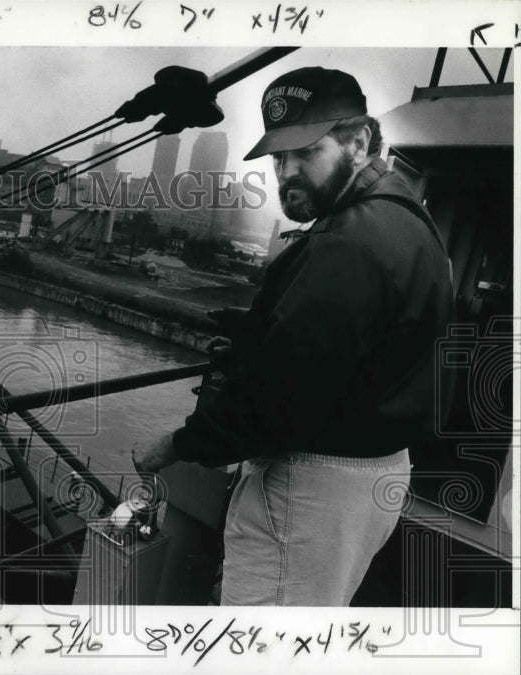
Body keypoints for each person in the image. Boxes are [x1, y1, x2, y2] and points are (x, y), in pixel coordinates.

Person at [133, 67, 454, 606]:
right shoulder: (409, 222)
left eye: (306, 152)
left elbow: (274, 404)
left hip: (311, 490)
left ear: (358, 141)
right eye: (280, 158)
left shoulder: (347, 245)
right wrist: (261, 333)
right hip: (373, 478)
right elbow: (364, 344)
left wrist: (175, 445)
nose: (288, 173)